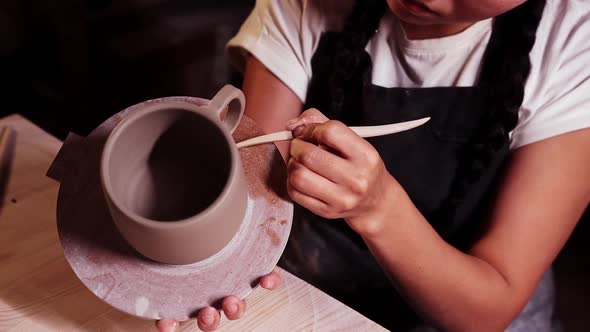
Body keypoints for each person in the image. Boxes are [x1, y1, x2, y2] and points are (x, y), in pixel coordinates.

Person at [157, 0, 590, 331]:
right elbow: (251, 197)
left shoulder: (575, 37)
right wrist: (204, 272)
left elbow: (487, 309)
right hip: (311, 275)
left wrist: (378, 209)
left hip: (473, 305)